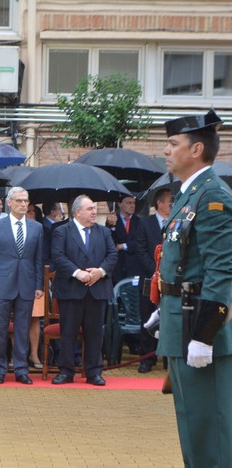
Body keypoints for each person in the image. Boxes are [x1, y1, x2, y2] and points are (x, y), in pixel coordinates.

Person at [152, 110, 232, 467]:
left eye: (173, 144)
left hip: (199, 327)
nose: (166, 151)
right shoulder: (188, 194)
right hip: (178, 319)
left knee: (209, 428)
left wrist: (206, 333)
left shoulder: (212, 196)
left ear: (196, 149)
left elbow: (221, 269)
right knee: (192, 425)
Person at [51, 195, 117, 386]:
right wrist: (77, 272)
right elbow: (57, 255)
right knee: (68, 332)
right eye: (90, 209)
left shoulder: (103, 232)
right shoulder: (62, 231)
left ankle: (94, 372)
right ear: (77, 212)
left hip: (97, 290)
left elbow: (112, 255)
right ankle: (66, 371)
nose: (94, 212)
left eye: (95, 208)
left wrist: (101, 271)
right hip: (71, 290)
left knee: (95, 333)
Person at [0, 187, 44, 385]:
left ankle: (21, 369)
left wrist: (39, 285)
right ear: (9, 203)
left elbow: (38, 260)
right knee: (1, 329)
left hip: (26, 284)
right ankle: (0, 369)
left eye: (26, 201)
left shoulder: (36, 227)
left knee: (22, 329)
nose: (23, 204)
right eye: (19, 201)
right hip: (2, 284)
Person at [135, 188, 171, 373]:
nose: (171, 206)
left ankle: (168, 358)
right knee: (148, 316)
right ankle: (147, 358)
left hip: (170, 280)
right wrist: (155, 270)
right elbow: (140, 250)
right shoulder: (145, 223)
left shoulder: (175, 223)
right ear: (159, 203)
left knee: (169, 316)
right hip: (150, 278)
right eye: (169, 202)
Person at [26, 203, 51, 369]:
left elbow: (47, 257)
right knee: (16, 319)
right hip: (15, 279)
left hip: (36, 279)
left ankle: (34, 354)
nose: (30, 214)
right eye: (28, 211)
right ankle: (16, 354)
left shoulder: (42, 231)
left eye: (32, 212)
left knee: (34, 319)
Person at [106, 196, 144, 284]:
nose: (132, 206)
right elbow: (110, 244)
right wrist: (112, 227)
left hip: (135, 269)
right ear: (119, 204)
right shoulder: (112, 220)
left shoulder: (140, 222)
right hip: (118, 269)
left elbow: (140, 243)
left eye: (133, 203)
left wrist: (122, 246)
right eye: (129, 203)